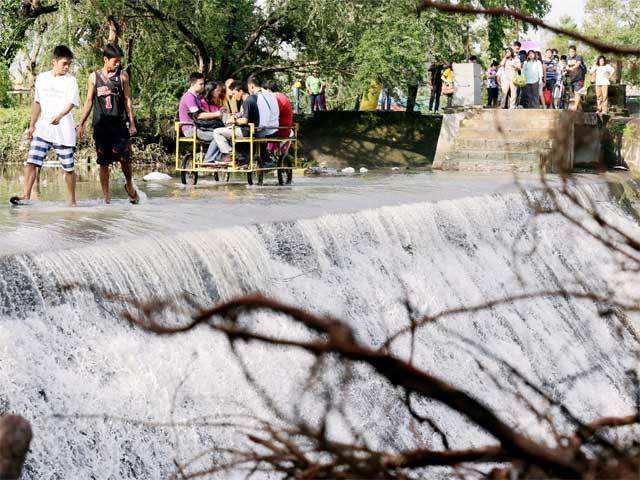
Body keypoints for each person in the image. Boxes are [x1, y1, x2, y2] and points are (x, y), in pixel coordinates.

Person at [10, 45, 80, 207]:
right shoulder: (42, 78)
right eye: (64, 63)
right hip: (43, 130)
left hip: (64, 131)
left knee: (68, 168)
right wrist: (32, 125)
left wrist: (60, 116)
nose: (67, 67)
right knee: (31, 162)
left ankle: (72, 201)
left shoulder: (71, 80)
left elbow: (72, 103)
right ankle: (26, 196)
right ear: (53, 62)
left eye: (69, 63)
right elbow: (37, 103)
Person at [76, 43, 138, 204]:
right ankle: (106, 198)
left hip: (119, 125)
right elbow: (89, 101)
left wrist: (132, 123)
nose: (117, 64)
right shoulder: (93, 77)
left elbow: (127, 100)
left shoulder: (123, 76)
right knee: (103, 163)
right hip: (101, 127)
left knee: (125, 159)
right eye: (115, 61)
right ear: (105, 59)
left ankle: (129, 185)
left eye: (119, 61)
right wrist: (81, 123)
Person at [205, 76, 280, 165]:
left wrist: (234, 121)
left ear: (240, 91)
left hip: (245, 131)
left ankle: (229, 154)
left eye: (234, 94)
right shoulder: (254, 99)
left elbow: (245, 120)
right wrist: (236, 117)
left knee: (217, 132)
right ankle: (239, 156)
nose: (233, 96)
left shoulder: (248, 101)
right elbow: (243, 114)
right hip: (251, 130)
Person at [177, 73, 223, 142]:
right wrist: (217, 114)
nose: (203, 86)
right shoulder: (189, 97)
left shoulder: (196, 97)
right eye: (200, 84)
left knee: (221, 134)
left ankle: (214, 153)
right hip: (191, 130)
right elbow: (198, 115)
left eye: (203, 84)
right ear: (192, 84)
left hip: (198, 127)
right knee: (219, 136)